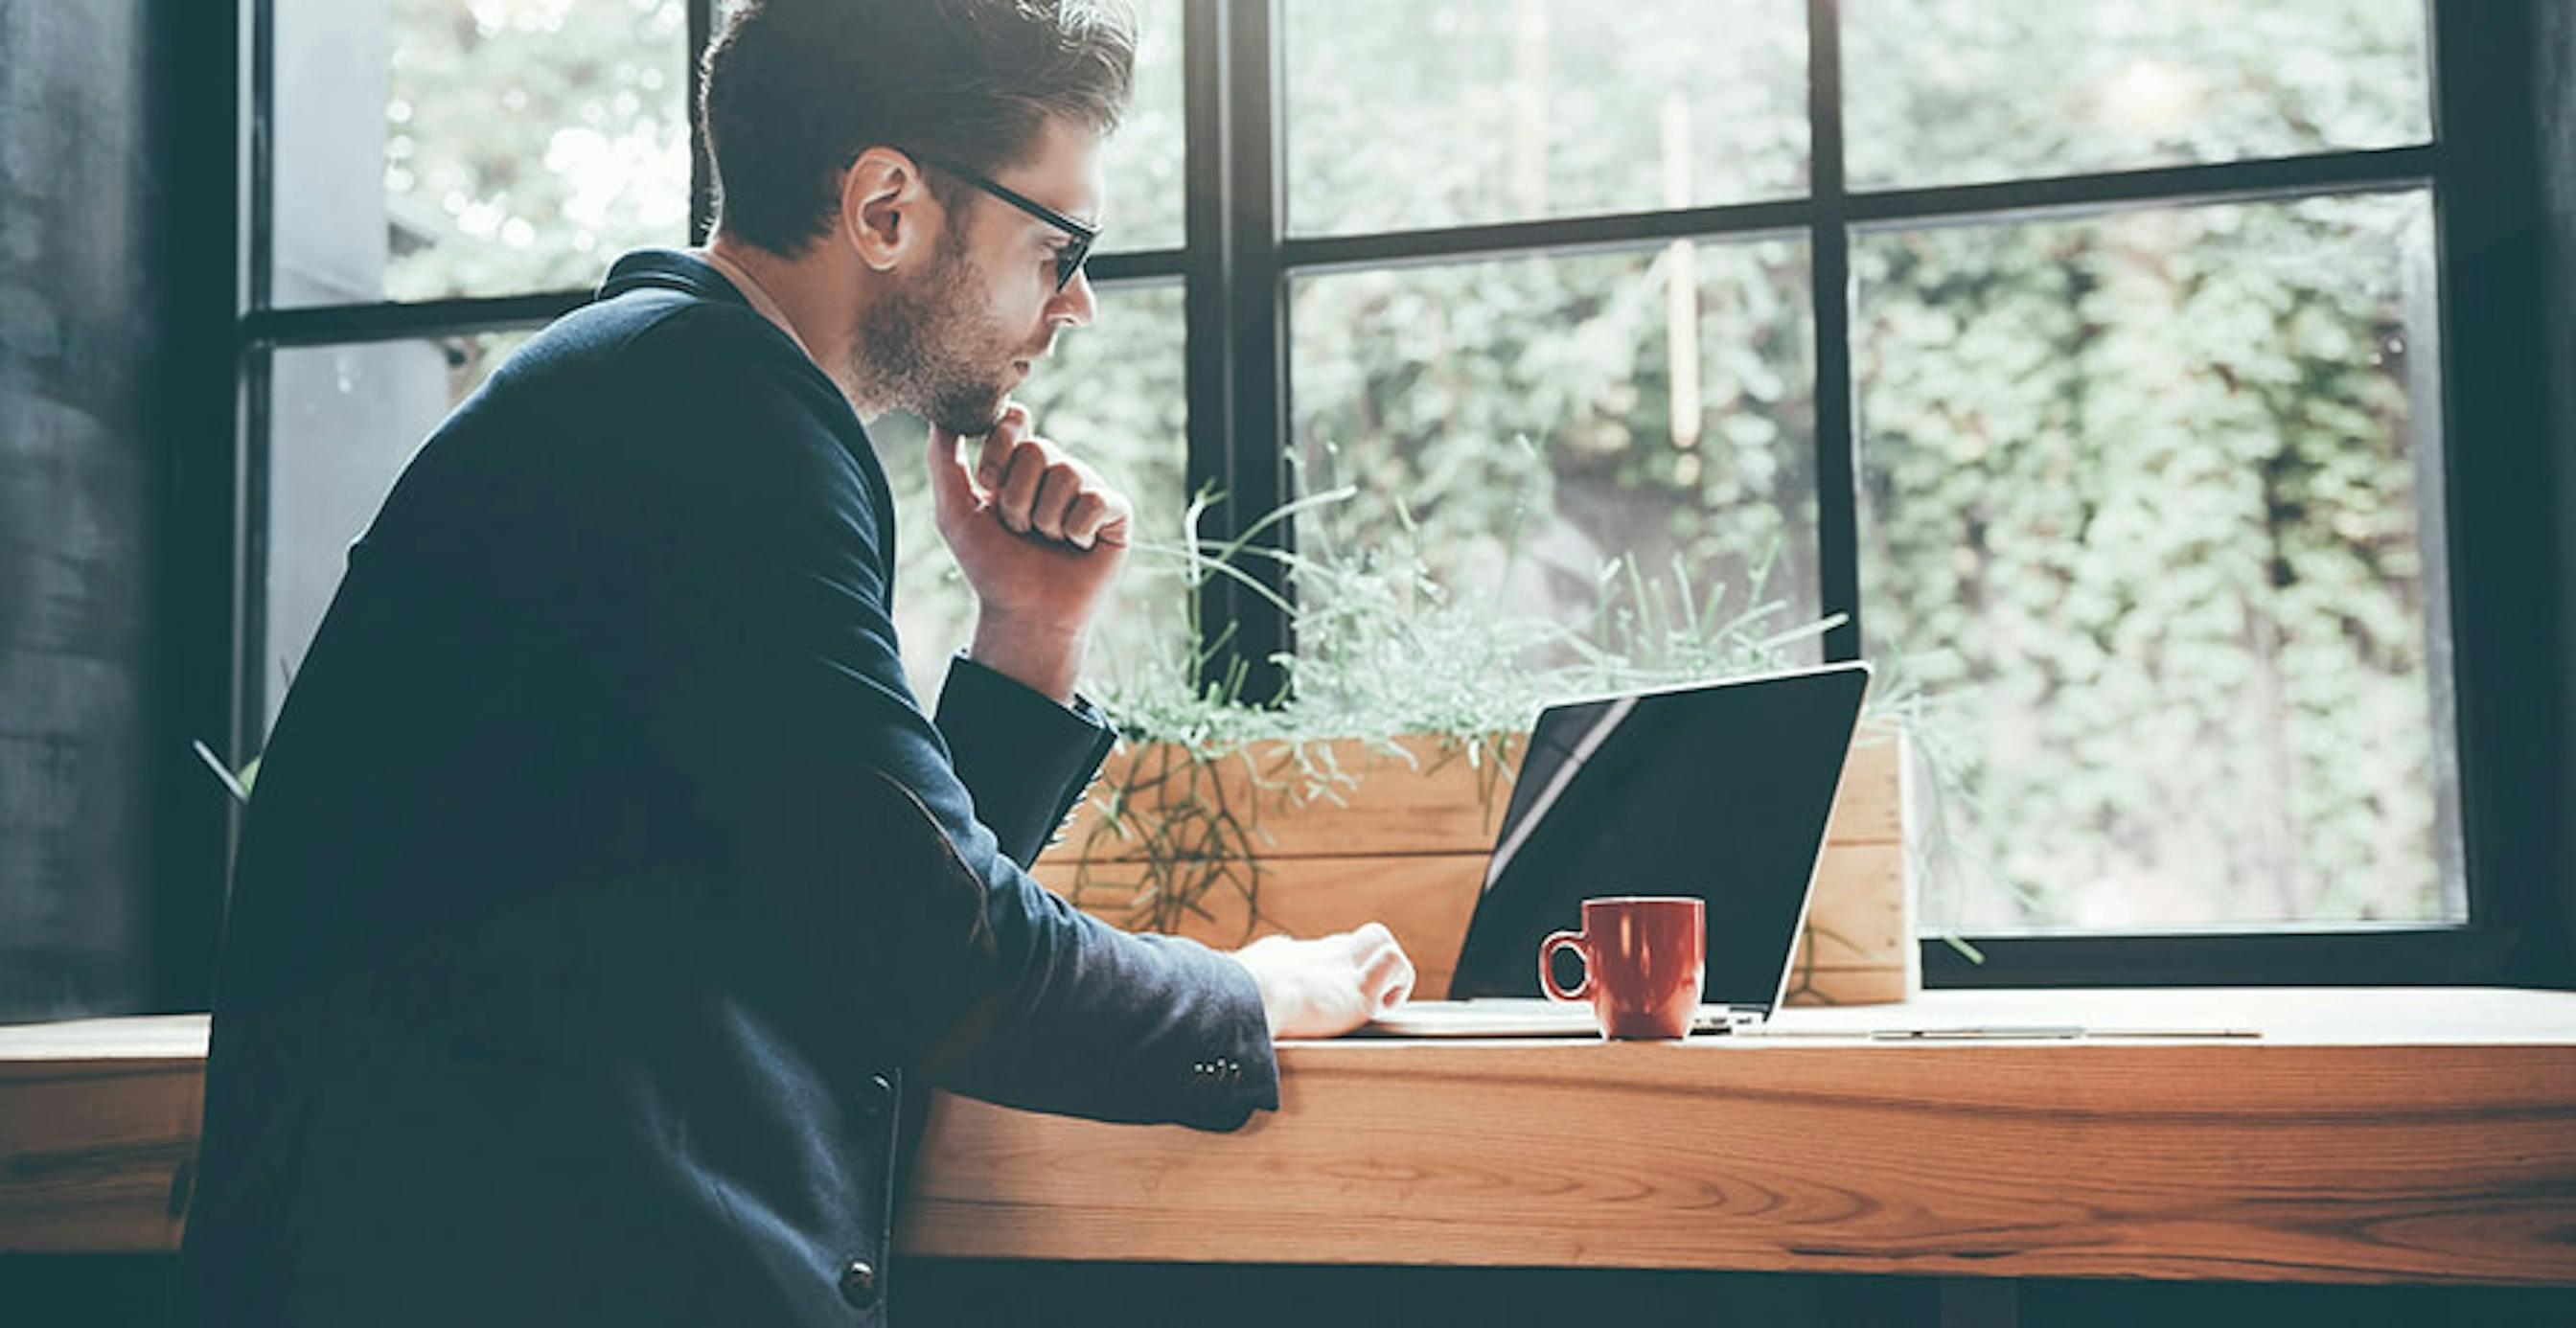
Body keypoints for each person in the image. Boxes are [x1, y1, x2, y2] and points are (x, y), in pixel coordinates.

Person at [180, 1, 1414, 1322]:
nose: (1080, 304)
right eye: (1057, 244)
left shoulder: (662, 387)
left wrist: (1030, 627)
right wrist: (1256, 989)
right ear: (886, 206)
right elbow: (946, 957)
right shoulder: (711, 419)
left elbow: (859, 912)